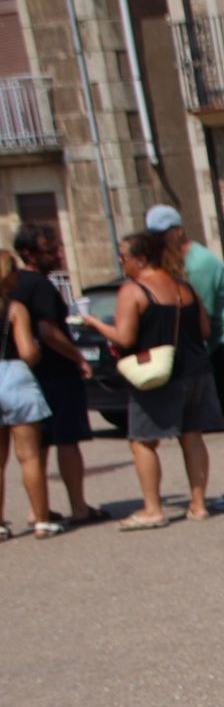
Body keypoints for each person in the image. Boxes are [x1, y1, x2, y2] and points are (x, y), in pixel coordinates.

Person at [79, 233, 224, 530]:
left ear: (141, 259)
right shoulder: (185, 287)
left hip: (157, 375)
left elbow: (125, 337)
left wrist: (94, 323)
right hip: (196, 370)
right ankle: (199, 504)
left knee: (142, 441)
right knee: (192, 435)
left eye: (124, 256)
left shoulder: (133, 290)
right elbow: (205, 329)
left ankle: (153, 509)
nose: (121, 262)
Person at [144, 205, 224, 512]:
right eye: (154, 237)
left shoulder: (196, 264)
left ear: (178, 231)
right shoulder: (185, 260)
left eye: (163, 235)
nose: (159, 242)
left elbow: (201, 318)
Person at [7, 224, 104, 526]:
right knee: (67, 440)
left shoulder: (12, 287)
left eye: (59, 248)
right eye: (50, 250)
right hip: (55, 374)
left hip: (26, 378)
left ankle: (38, 509)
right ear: (29, 253)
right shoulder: (39, 286)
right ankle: (78, 506)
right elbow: (48, 331)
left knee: (35, 448)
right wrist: (78, 357)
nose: (58, 255)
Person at [0, 248, 55, 540]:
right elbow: (27, 352)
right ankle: (42, 520)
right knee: (30, 456)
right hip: (14, 377)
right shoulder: (15, 308)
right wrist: (36, 351)